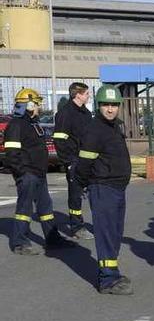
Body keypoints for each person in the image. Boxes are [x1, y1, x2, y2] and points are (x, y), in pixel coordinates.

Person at [74, 85, 132, 295]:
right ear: (99, 106)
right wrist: (84, 184)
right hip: (103, 187)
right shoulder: (95, 129)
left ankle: (112, 270)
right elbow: (84, 164)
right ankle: (107, 279)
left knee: (115, 233)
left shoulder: (114, 126)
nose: (110, 109)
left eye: (114, 105)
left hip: (116, 187)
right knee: (106, 234)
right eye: (106, 105)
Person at [6, 88, 73, 255]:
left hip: (39, 174)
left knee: (46, 208)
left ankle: (53, 239)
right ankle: (19, 242)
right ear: (28, 105)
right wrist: (22, 173)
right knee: (24, 209)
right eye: (36, 103)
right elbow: (12, 154)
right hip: (28, 174)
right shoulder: (16, 125)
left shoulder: (32, 123)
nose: (39, 107)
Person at [53, 82, 94, 240]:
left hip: (88, 159)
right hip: (74, 160)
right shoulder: (65, 114)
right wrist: (69, 162)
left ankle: (98, 223)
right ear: (77, 94)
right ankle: (77, 227)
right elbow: (59, 140)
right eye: (86, 93)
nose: (88, 95)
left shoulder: (86, 113)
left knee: (94, 192)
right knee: (75, 195)